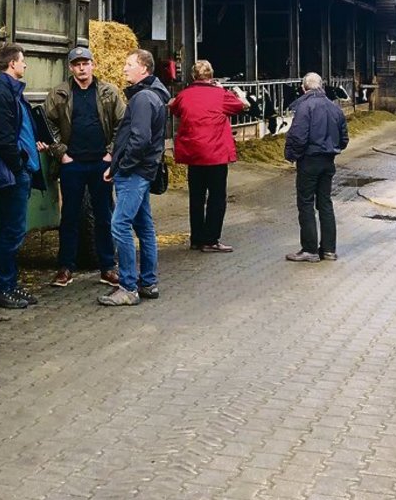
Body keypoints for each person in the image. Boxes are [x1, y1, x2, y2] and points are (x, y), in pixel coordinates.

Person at [0, 44, 50, 307]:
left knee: (14, 231)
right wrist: (19, 164)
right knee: (11, 232)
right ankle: (0, 288)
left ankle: (10, 285)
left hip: (19, 170)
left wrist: (32, 146)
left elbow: (19, 130)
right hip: (13, 173)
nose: (25, 65)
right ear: (12, 64)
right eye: (23, 61)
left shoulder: (12, 93)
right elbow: (1, 138)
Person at [43, 46, 126, 288]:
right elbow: (47, 124)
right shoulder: (59, 94)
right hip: (73, 164)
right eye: (77, 64)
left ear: (93, 65)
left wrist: (111, 153)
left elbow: (123, 123)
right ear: (70, 68)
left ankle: (108, 267)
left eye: (85, 63)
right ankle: (65, 267)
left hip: (101, 163)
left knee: (104, 216)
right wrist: (60, 153)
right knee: (69, 216)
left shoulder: (109, 92)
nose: (81, 68)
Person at [99, 49, 169, 306]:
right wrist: (116, 165)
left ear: (144, 69)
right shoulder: (155, 96)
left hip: (135, 173)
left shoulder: (142, 99)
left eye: (129, 64)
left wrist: (124, 167)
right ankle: (148, 282)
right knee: (144, 227)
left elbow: (140, 139)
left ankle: (128, 287)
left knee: (119, 225)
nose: (124, 69)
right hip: (142, 171)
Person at [169, 59, 248, 253]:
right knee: (216, 197)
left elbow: (173, 108)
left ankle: (196, 238)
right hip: (215, 154)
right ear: (211, 75)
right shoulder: (221, 95)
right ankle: (211, 240)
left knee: (196, 197)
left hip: (193, 155)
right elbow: (243, 105)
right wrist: (227, 90)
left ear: (193, 76)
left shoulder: (184, 95)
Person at [283, 72, 349, 263]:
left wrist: (291, 155)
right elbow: (344, 138)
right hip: (328, 161)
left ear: (304, 88)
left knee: (305, 203)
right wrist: (333, 149)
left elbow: (298, 136)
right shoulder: (334, 107)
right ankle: (329, 250)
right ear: (321, 86)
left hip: (309, 160)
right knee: (325, 203)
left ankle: (310, 249)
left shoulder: (304, 106)